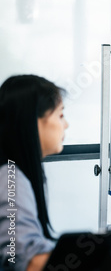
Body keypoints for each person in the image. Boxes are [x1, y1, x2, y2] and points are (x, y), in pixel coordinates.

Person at [0, 75, 68, 271]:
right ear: (34, 120)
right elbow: (30, 262)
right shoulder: (9, 179)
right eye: (60, 115)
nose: (66, 125)